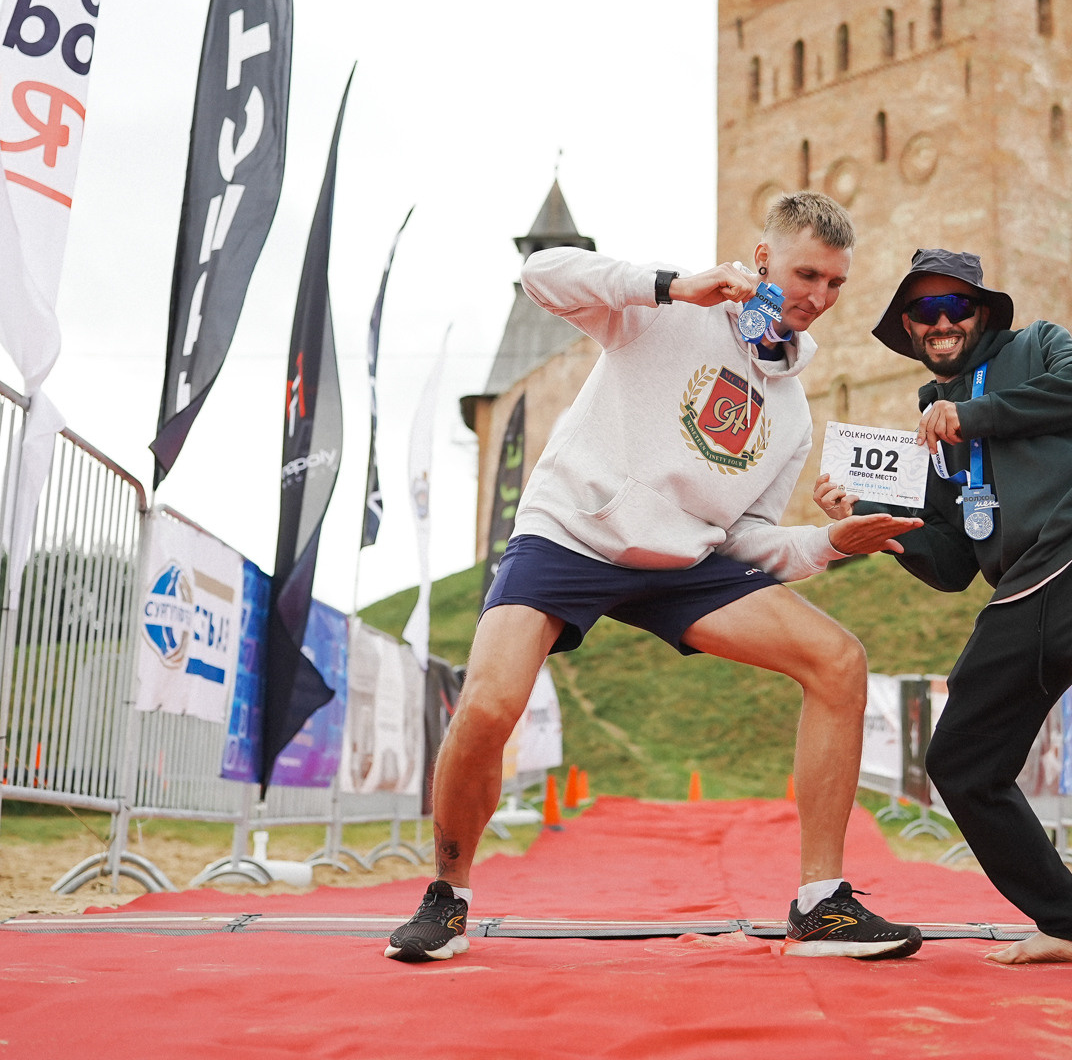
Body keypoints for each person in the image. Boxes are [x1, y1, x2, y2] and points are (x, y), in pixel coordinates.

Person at [386, 192, 925, 964]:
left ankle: (820, 907)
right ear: (763, 259)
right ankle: (448, 895)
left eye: (836, 284)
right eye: (807, 273)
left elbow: (750, 537)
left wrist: (831, 541)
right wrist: (671, 284)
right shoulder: (667, 311)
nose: (818, 298)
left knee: (839, 661)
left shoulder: (793, 413)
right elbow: (543, 274)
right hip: (572, 533)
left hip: (684, 564)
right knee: (489, 702)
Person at [815, 249, 1072, 994]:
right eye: (925, 312)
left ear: (982, 312)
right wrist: (880, 526)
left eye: (956, 306)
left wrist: (974, 417)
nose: (942, 322)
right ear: (908, 329)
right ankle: (1068, 926)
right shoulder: (928, 427)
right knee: (960, 761)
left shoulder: (1036, 346)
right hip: (1021, 592)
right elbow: (951, 563)